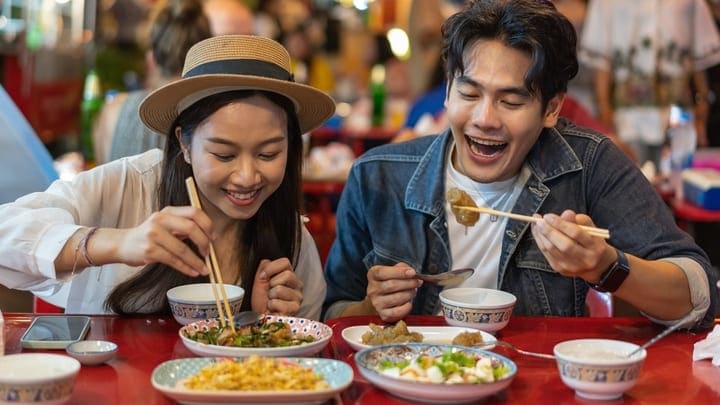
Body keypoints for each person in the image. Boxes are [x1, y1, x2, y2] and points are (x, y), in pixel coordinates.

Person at [322, 0, 717, 331]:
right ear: (447, 91)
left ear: (552, 108)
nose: (485, 118)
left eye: (511, 101)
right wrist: (370, 307)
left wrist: (606, 267)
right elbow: (333, 313)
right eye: (469, 93)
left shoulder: (589, 164)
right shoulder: (377, 177)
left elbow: (700, 293)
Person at [0, 35, 336, 320]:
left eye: (268, 154)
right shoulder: (132, 184)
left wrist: (270, 324)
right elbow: (7, 232)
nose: (247, 176)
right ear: (184, 144)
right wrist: (119, 243)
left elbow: (303, 358)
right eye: (224, 154)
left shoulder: (290, 234)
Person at [93, 0, 256, 165]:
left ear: (152, 58)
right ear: (205, 53)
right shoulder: (212, 113)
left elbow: (104, 180)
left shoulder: (112, 111)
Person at [580, 0, 720, 166]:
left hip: (679, 116)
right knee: (631, 179)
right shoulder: (606, 3)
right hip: (627, 119)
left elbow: (699, 59)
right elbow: (602, 63)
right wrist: (604, 113)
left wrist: (702, 108)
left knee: (678, 182)